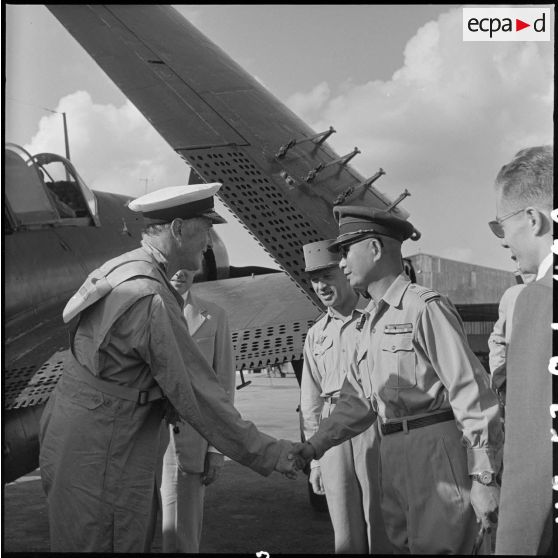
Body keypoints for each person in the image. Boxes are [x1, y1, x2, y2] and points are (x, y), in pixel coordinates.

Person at [39, 183, 298, 553]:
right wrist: (270, 452)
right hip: (106, 450)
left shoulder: (123, 269)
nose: (209, 242)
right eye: (205, 229)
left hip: (86, 438)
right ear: (177, 229)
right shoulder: (152, 298)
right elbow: (198, 394)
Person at [290, 206, 504, 554]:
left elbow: (471, 394)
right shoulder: (370, 321)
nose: (341, 263)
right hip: (391, 450)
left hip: (434, 446)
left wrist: (483, 476)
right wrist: (315, 446)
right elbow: (357, 400)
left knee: (442, 547)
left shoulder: (424, 308)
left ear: (374, 249)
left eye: (347, 252)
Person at [299, 239, 391, 554]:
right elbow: (310, 403)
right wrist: (315, 464)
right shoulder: (316, 334)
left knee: (380, 521)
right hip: (331, 438)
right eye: (314, 279)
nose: (320, 286)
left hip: (372, 428)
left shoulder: (375, 318)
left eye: (326, 276)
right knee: (345, 533)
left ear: (342, 271)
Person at [488, 145, 553, 555]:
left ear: (533, 219)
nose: (502, 241)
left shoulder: (539, 299)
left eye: (500, 226)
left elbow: (533, 466)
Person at [158, 267, 236, 553]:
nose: (181, 272)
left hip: (190, 441)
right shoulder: (140, 310)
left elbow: (224, 388)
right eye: (174, 266)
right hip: (141, 438)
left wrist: (217, 450)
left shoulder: (214, 315)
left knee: (182, 538)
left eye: (188, 267)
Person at [487, 272, 534, 407]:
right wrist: (500, 380)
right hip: (519, 393)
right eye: (514, 259)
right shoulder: (513, 295)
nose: (517, 267)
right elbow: (498, 339)